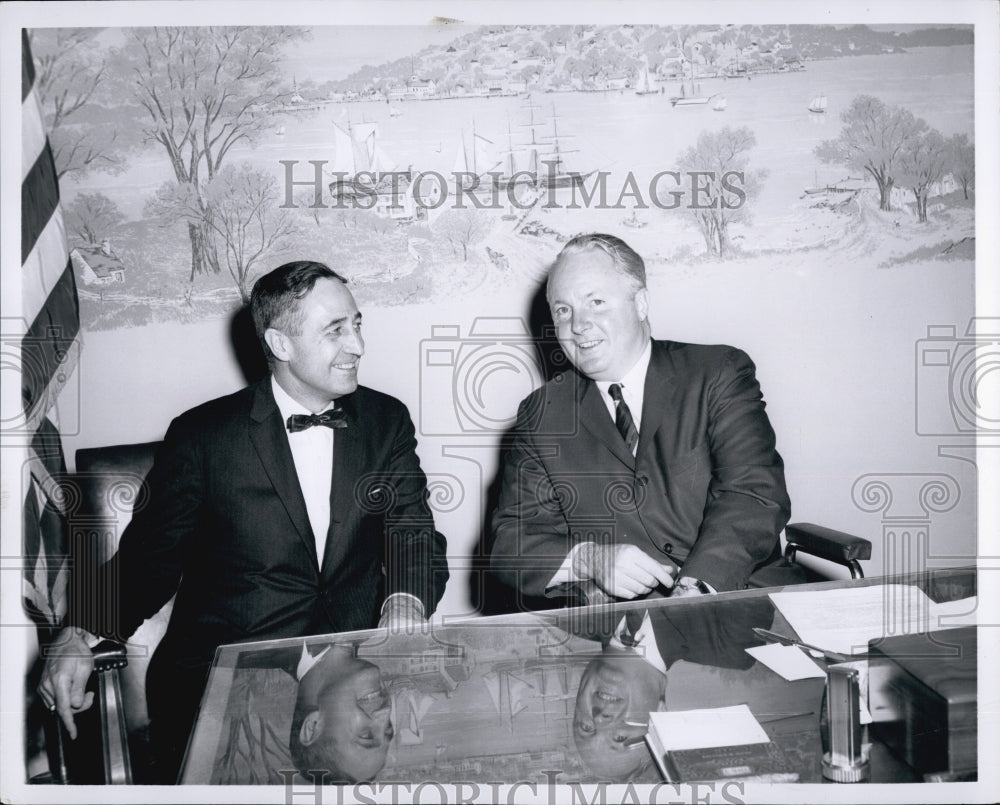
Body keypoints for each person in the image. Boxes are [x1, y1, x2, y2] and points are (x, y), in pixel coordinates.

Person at [39, 260, 448, 782]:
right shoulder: (203, 437)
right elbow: (146, 563)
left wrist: (405, 602)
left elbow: (413, 533)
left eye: (357, 324)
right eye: (335, 330)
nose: (358, 345)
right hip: (221, 687)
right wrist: (79, 632)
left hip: (353, 669)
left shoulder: (386, 421)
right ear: (280, 344)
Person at [490, 234, 801, 607]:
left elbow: (753, 493)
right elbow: (510, 542)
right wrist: (590, 560)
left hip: (742, 597)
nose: (579, 325)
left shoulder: (717, 373)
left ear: (640, 303)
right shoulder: (541, 414)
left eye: (596, 302)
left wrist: (696, 589)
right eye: (563, 310)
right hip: (620, 624)